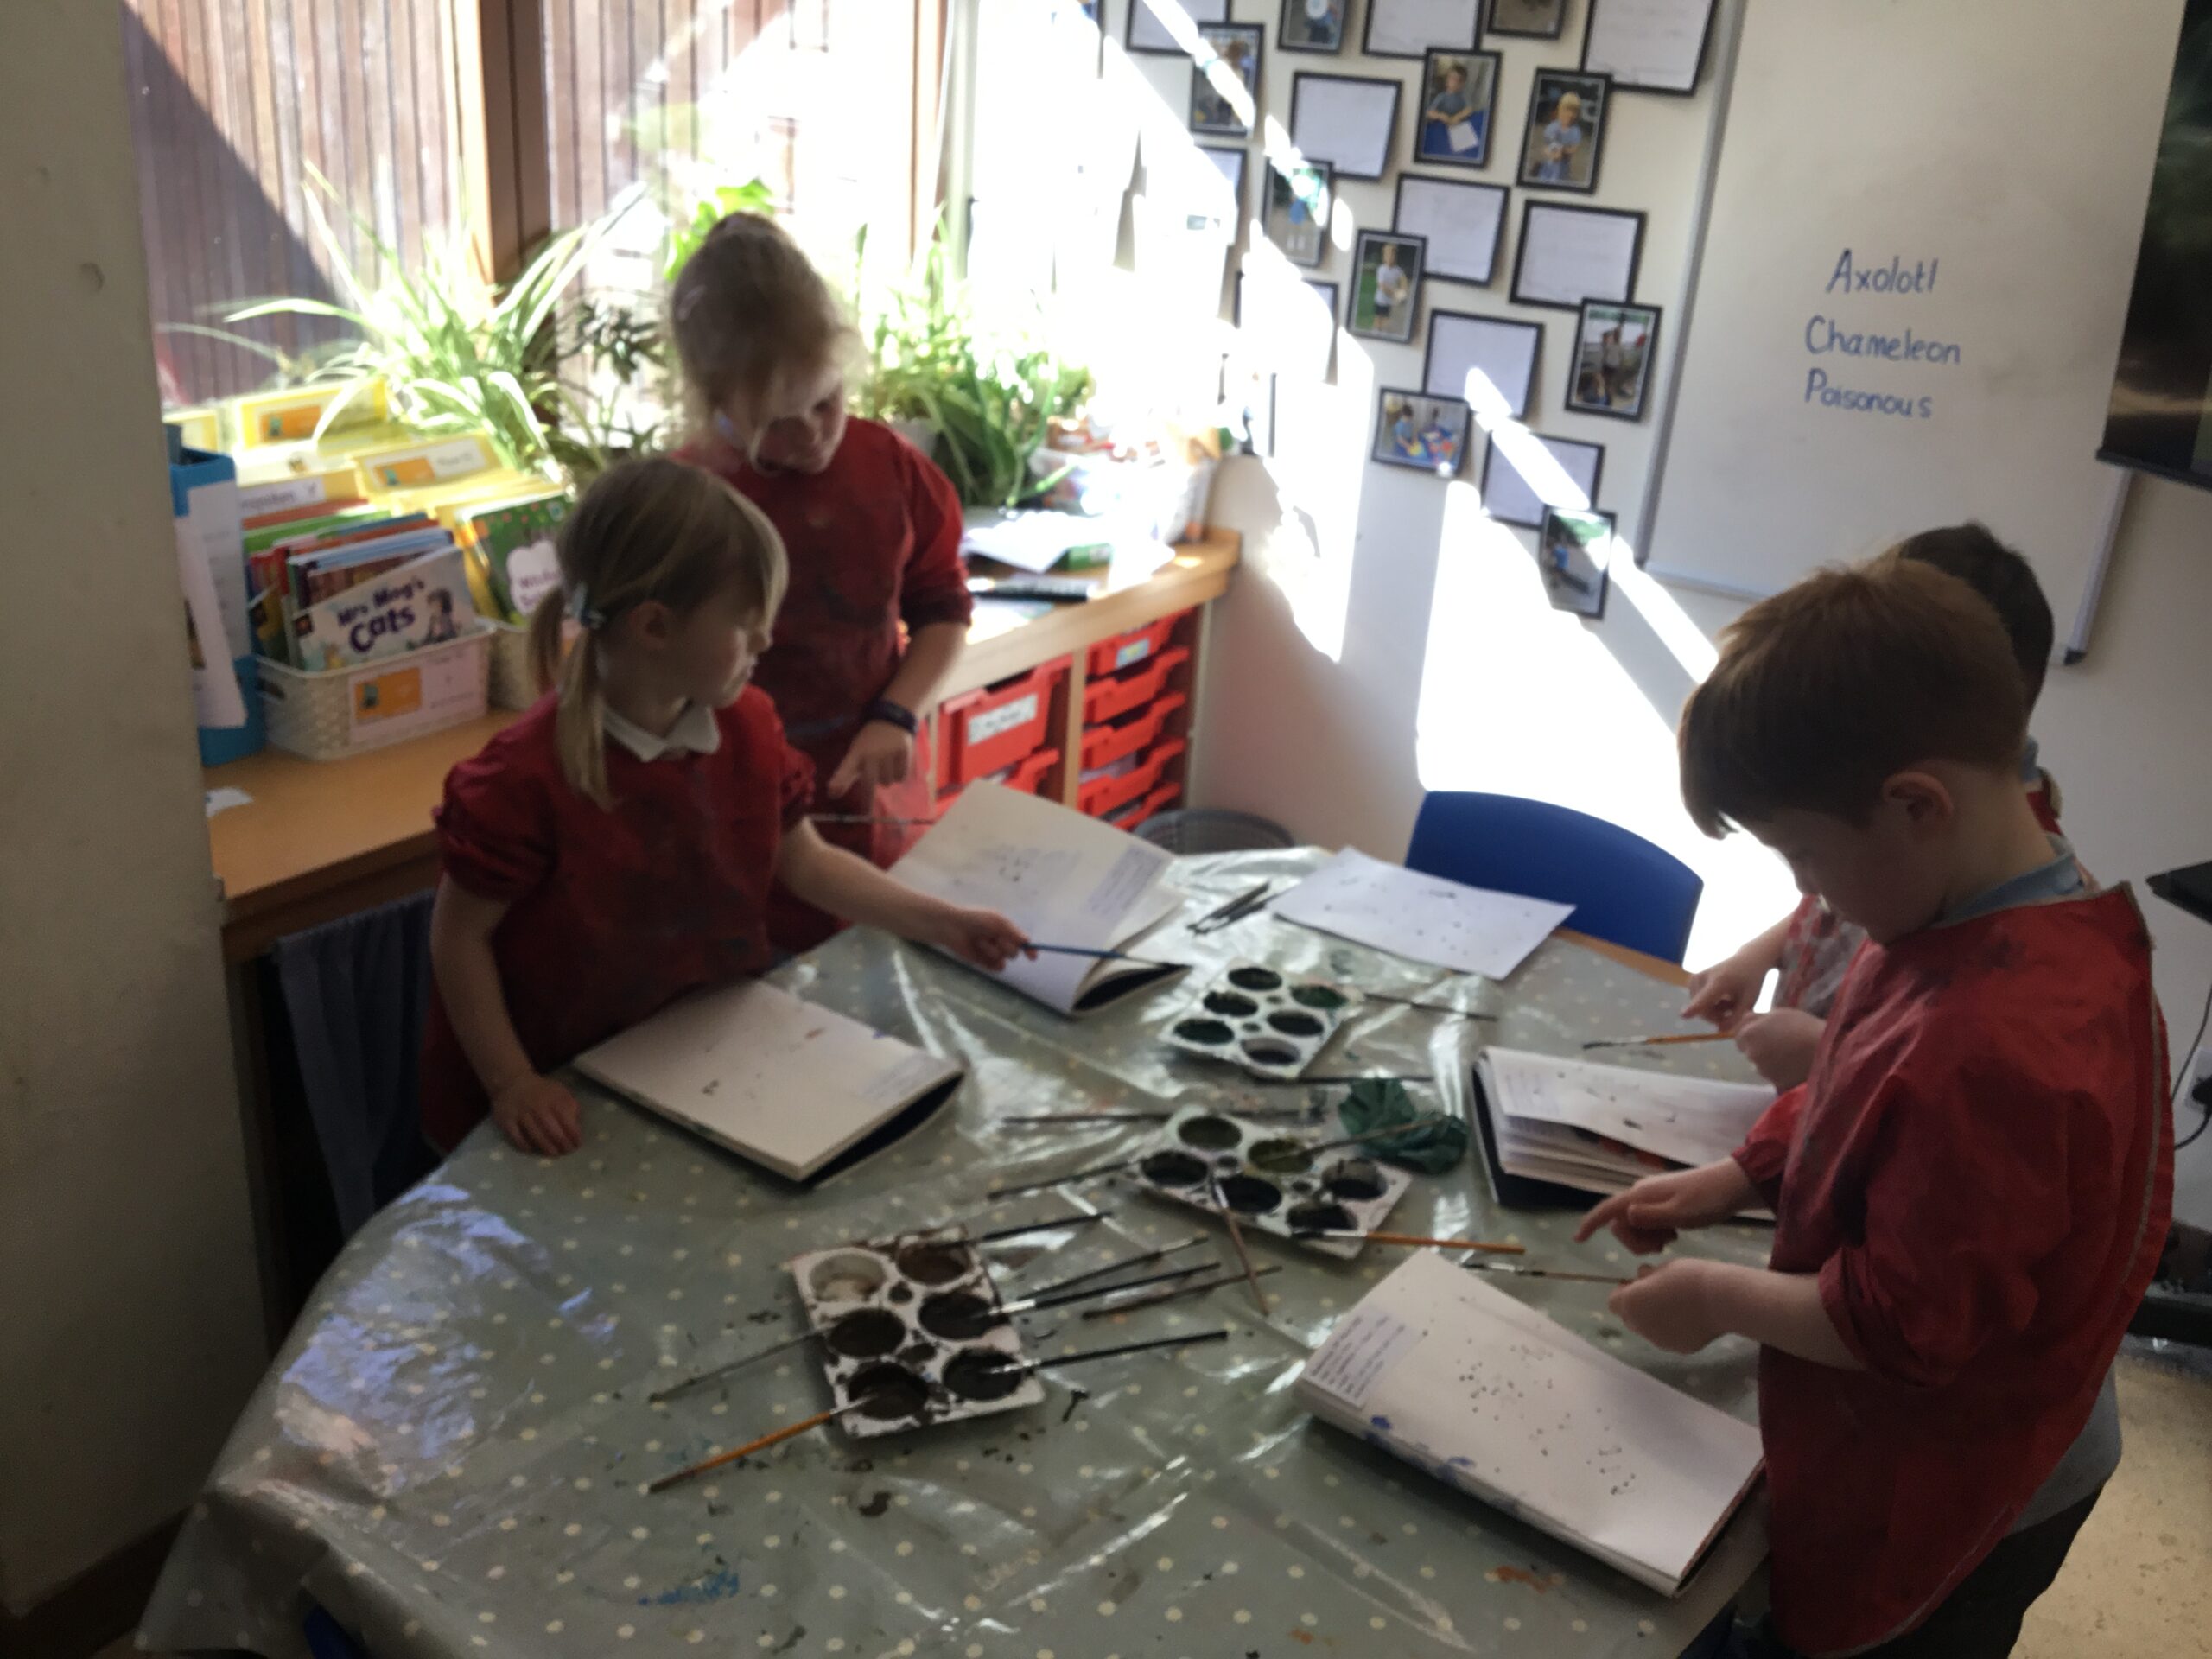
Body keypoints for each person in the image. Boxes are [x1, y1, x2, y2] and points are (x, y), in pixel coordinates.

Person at [1581, 556, 2171, 1658]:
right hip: (1943, 1412)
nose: (1808, 893)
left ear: (1915, 804)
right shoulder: (1985, 878)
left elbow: (1899, 1325)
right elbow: (1861, 1076)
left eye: (1803, 853)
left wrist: (1713, 1294)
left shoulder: (2000, 1046)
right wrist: (1738, 1176)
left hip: (1971, 1482)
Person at [420, 459, 1028, 1157]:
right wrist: (512, 1083)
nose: (766, 642)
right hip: (555, 1084)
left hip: (692, 1055)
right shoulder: (524, 777)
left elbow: (807, 864)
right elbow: (458, 940)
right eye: (745, 625)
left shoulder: (750, 726)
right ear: (655, 627)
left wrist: (946, 924)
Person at [671, 213, 974, 952]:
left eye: (826, 402)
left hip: (871, 782)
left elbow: (943, 608)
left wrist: (898, 713)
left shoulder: (890, 467)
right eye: (777, 422)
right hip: (734, 807)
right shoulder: (688, 498)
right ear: (716, 404)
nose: (811, 433)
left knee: (878, 953)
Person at [1685, 524, 2063, 1089]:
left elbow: (1926, 1069)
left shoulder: (1987, 943)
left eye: (1802, 854)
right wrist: (1759, 954)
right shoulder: (1922, 850)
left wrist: (1833, 1059)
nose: (1807, 886)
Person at [1421, 60, 1482, 161]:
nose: (1455, 83)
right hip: (1441, 126)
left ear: (1463, 84)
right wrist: (1441, 116)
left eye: (1459, 81)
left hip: (1457, 127)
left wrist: (1456, 118)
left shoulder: (1463, 96)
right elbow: (1430, 113)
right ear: (1447, 80)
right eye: (1453, 79)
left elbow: (1469, 109)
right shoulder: (1442, 97)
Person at [1534, 87, 1585, 183]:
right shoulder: (1552, 127)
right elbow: (1546, 146)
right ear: (1560, 110)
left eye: (1574, 112)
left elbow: (1574, 149)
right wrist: (1549, 152)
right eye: (1566, 110)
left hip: (1562, 169)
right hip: (1548, 166)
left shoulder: (1575, 131)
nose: (1570, 115)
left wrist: (1563, 150)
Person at [1370, 243, 1409, 326]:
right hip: (1380, 300)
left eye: (1392, 255)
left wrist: (1403, 291)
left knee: (1386, 322)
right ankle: (1376, 331)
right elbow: (1382, 286)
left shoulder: (1397, 270)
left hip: (1390, 302)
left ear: (1395, 257)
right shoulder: (1381, 269)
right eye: (1387, 255)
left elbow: (1404, 281)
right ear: (1384, 256)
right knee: (1378, 320)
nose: (1390, 257)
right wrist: (1395, 293)